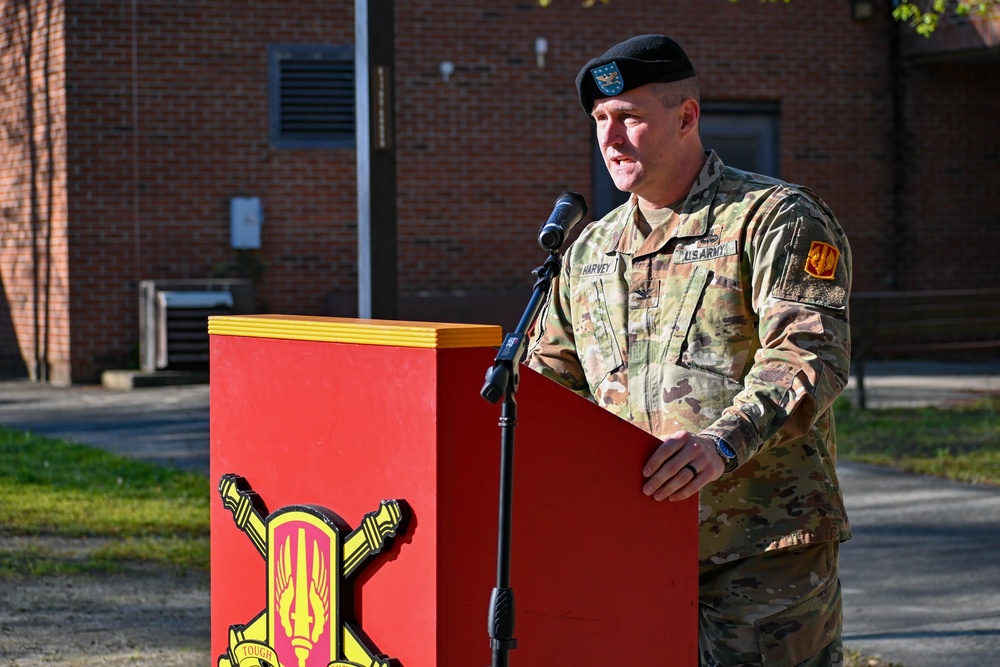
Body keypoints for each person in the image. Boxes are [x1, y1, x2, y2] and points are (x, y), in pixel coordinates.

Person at [525, 35, 853, 666]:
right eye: (600, 120)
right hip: (631, 547)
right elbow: (550, 383)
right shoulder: (589, 250)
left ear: (686, 117)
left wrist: (720, 444)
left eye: (630, 118)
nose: (611, 139)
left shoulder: (773, 218)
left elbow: (808, 354)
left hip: (760, 552)